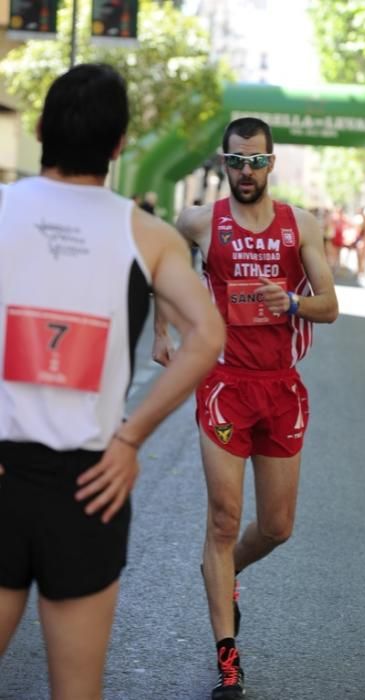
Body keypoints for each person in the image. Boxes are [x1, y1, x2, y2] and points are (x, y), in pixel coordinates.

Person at [0, 63, 225, 699]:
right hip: (91, 483)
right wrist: (131, 439)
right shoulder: (148, 235)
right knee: (77, 691)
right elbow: (208, 336)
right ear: (120, 143)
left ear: (41, 128)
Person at [153, 117, 339, 698]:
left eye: (256, 161)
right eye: (237, 161)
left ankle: (223, 572)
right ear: (225, 161)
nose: (246, 171)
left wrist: (292, 301)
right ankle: (228, 660)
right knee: (224, 519)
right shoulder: (202, 221)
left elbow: (330, 305)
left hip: (281, 387)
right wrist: (163, 327)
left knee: (278, 527)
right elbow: (164, 251)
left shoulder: (297, 225)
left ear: (271, 163)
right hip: (225, 383)